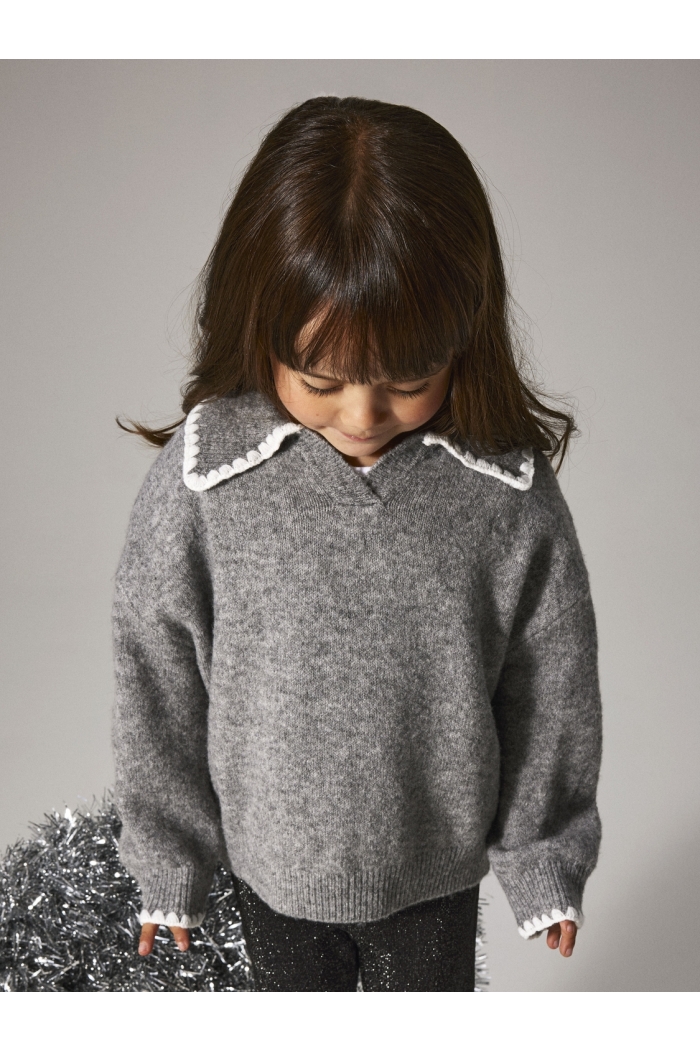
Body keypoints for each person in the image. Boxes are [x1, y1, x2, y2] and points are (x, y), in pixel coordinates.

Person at [112, 96, 602, 992]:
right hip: (270, 876)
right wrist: (170, 857)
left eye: (408, 379)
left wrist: (543, 854)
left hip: (434, 878)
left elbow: (551, 681)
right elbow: (157, 675)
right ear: (259, 328)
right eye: (321, 379)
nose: (363, 413)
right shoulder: (206, 480)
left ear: (465, 334)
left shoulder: (503, 491)